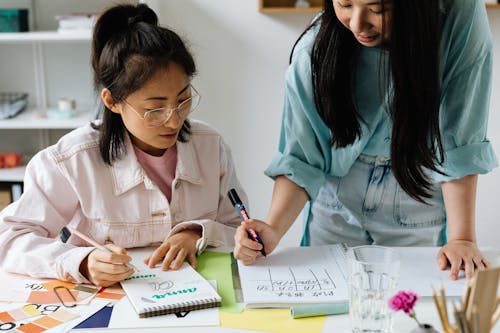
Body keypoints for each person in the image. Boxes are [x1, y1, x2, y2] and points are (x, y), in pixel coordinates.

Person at [234, 0, 498, 280]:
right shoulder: (313, 49)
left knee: (410, 309)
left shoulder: (459, 13)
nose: (357, 24)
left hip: (414, 189)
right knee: (329, 312)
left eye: (377, 8)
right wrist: (273, 228)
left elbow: (459, 138)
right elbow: (301, 157)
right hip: (337, 198)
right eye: (345, 4)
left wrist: (462, 239)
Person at [0, 3, 248, 287]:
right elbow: (9, 238)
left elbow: (239, 228)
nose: (173, 120)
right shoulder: (72, 160)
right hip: (108, 304)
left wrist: (196, 233)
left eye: (183, 100)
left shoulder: (211, 147)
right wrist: (80, 262)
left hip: (201, 296)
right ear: (112, 101)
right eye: (155, 109)